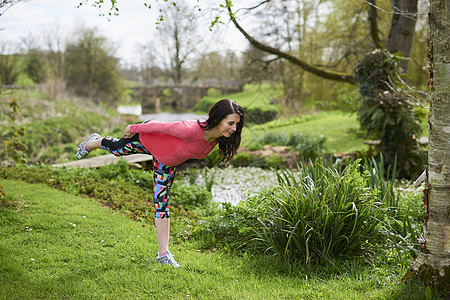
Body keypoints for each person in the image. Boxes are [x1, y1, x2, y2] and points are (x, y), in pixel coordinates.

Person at [76, 99, 244, 268]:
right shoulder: (190, 129)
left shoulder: (218, 139)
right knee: (118, 149)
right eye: (230, 123)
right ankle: (92, 143)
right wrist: (133, 128)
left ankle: (163, 255)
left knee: (161, 202)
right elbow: (159, 126)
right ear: (218, 118)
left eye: (236, 124)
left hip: (165, 162)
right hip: (148, 139)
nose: (234, 128)